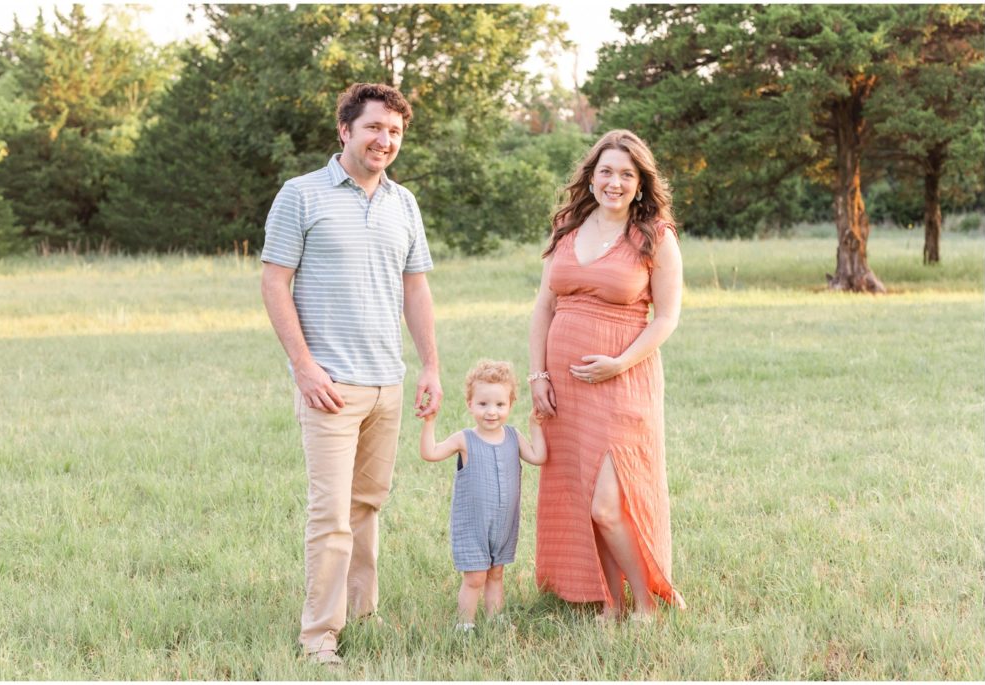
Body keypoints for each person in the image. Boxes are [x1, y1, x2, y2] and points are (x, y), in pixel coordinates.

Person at [260, 82, 442, 666]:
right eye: (373, 128)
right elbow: (273, 282)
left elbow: (416, 289)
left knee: (367, 506)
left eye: (394, 132)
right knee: (331, 515)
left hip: (387, 382)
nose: (384, 140)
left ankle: (362, 613)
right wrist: (304, 366)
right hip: (330, 387)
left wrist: (430, 365)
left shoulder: (403, 203)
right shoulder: (301, 195)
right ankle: (319, 637)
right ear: (345, 130)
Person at [528, 129, 687, 623]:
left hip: (623, 380)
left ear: (640, 183)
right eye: (605, 172)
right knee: (579, 493)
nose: (614, 182)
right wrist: (537, 375)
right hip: (563, 385)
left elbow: (665, 318)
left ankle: (644, 605)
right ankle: (609, 603)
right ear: (591, 177)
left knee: (607, 502)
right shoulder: (568, 227)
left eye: (625, 174)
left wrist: (619, 362)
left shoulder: (655, 237)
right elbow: (544, 306)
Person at [419, 360, 546, 631]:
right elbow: (430, 453)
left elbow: (538, 456)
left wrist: (534, 425)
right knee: (475, 577)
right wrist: (429, 422)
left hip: (502, 524)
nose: (491, 412)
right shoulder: (465, 439)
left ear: (510, 405)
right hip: (473, 526)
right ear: (470, 404)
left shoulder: (513, 436)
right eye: (483, 404)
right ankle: (465, 625)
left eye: (500, 405)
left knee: (497, 573)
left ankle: (496, 619)